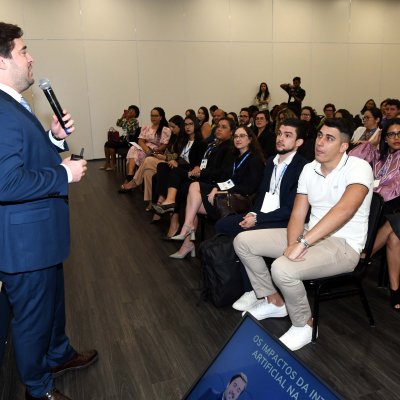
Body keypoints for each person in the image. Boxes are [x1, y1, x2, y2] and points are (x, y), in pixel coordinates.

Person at [0, 22, 97, 400]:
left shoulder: (12, 104)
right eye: (23, 51)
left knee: (52, 307)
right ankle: (39, 389)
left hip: (40, 237)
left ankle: (59, 355)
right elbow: (6, 183)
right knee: (32, 320)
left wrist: (54, 138)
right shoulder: (2, 110)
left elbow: (25, 157)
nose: (31, 57)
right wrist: (63, 172)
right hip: (25, 244)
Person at [234, 118, 373, 351]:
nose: (320, 143)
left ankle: (305, 324)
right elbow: (298, 214)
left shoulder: (359, 167)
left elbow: (345, 209)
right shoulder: (310, 168)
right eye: (319, 136)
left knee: (282, 268)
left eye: (329, 139)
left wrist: (302, 243)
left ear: (343, 146)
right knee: (243, 241)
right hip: (310, 234)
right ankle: (274, 301)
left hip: (344, 246)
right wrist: (293, 243)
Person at [170, 126, 264, 259]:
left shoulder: (254, 160)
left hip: (239, 201)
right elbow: (225, 178)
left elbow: (249, 188)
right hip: (226, 194)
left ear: (250, 139)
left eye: (242, 136)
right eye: (236, 136)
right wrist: (216, 187)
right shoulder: (235, 156)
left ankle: (187, 239)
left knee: (193, 203)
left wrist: (220, 189)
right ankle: (188, 228)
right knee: (194, 188)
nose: (238, 139)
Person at [349, 118, 400, 309]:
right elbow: (354, 157)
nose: (396, 138)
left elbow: (396, 188)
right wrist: (372, 141)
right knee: (394, 236)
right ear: (384, 138)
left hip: (392, 205)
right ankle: (396, 290)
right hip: (381, 207)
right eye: (391, 134)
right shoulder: (380, 155)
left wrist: (375, 196)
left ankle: (363, 256)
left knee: (391, 222)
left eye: (399, 133)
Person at [121, 115, 186, 212]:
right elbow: (168, 152)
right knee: (148, 171)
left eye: (173, 127)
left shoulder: (183, 139)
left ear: (180, 126)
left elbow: (178, 156)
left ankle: (134, 182)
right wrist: (160, 154)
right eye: (170, 127)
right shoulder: (173, 137)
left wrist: (165, 157)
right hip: (165, 160)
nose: (171, 129)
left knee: (148, 160)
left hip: (172, 163)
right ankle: (152, 201)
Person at [119, 107, 171, 195]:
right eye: (152, 115)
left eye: (156, 116)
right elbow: (140, 141)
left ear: (161, 117)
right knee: (133, 148)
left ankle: (129, 178)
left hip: (156, 151)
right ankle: (130, 174)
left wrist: (154, 150)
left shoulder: (165, 129)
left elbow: (164, 145)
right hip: (145, 148)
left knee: (135, 151)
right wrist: (146, 149)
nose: (153, 118)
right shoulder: (146, 127)